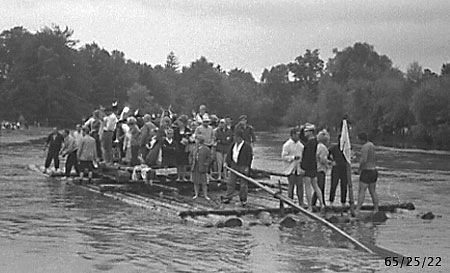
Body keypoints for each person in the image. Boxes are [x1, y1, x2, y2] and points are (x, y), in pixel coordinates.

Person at [221, 130, 253, 207]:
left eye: (236, 137)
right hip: (233, 165)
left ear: (240, 137)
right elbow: (229, 155)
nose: (234, 138)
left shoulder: (247, 146)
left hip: (243, 166)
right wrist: (226, 162)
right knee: (230, 182)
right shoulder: (233, 145)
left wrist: (247, 167)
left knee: (243, 185)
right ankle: (228, 197)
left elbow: (250, 157)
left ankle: (243, 200)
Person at [300, 123, 325, 211]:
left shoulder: (310, 143)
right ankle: (322, 204)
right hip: (314, 166)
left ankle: (310, 207)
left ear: (310, 132)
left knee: (308, 187)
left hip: (308, 167)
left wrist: (303, 168)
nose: (304, 133)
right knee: (315, 185)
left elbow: (308, 157)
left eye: (306, 131)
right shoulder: (315, 142)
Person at [356, 132, 379, 214]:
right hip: (374, 170)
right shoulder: (372, 145)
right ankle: (376, 209)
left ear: (361, 139)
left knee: (362, 191)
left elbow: (364, 160)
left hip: (366, 171)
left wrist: (359, 169)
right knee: (373, 191)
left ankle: (357, 209)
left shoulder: (364, 147)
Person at [281, 128, 305, 206]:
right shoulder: (287, 145)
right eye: (296, 135)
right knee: (291, 185)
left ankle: (301, 202)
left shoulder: (301, 145)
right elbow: (283, 157)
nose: (298, 136)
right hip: (290, 168)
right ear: (292, 135)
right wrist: (293, 157)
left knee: (300, 185)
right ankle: (290, 202)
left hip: (299, 168)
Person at [312, 129, 331, 206]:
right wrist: (330, 163)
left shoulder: (316, 146)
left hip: (315, 168)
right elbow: (323, 159)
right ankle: (319, 203)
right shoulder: (323, 148)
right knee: (320, 187)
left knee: (318, 187)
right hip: (321, 169)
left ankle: (321, 202)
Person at [328, 135, 348, 206]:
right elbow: (327, 154)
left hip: (344, 168)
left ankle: (343, 202)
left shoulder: (347, 149)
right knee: (333, 185)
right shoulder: (334, 148)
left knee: (344, 185)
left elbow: (351, 157)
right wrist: (331, 161)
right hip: (336, 167)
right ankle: (331, 202)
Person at [190, 135, 212, 200]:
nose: (196, 141)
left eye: (197, 140)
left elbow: (210, 158)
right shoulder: (194, 148)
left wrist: (206, 163)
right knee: (195, 181)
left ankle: (205, 195)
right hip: (195, 166)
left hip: (202, 167)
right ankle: (196, 194)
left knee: (204, 182)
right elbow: (190, 155)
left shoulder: (206, 149)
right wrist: (191, 162)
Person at [174, 115, 191, 181]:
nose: (179, 123)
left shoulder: (187, 130)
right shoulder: (176, 130)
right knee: (178, 163)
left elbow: (190, 138)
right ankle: (178, 176)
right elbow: (175, 139)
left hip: (185, 148)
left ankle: (183, 176)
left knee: (184, 163)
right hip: (178, 148)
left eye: (181, 122)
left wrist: (187, 140)